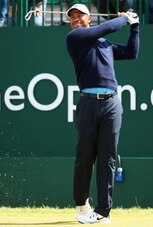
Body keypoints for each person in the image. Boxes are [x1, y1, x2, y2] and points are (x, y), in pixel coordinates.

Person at [65, 3, 140, 224]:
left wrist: (135, 26)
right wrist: (125, 18)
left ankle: (103, 211)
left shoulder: (104, 44)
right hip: (88, 104)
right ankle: (81, 203)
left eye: (81, 16)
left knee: (107, 158)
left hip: (112, 104)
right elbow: (103, 29)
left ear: (90, 18)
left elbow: (131, 53)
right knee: (84, 157)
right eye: (73, 17)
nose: (76, 19)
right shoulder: (74, 38)